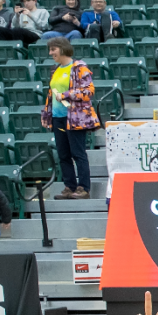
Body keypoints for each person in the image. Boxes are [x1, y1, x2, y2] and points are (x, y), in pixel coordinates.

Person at [39, 38, 97, 200]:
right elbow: (51, 94)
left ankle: (83, 188)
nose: (51, 53)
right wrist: (46, 113)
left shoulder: (79, 68)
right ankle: (69, 186)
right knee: (63, 155)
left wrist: (66, 95)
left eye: (53, 49)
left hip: (76, 118)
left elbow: (88, 91)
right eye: (50, 50)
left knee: (78, 153)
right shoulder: (55, 69)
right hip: (58, 118)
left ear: (63, 49)